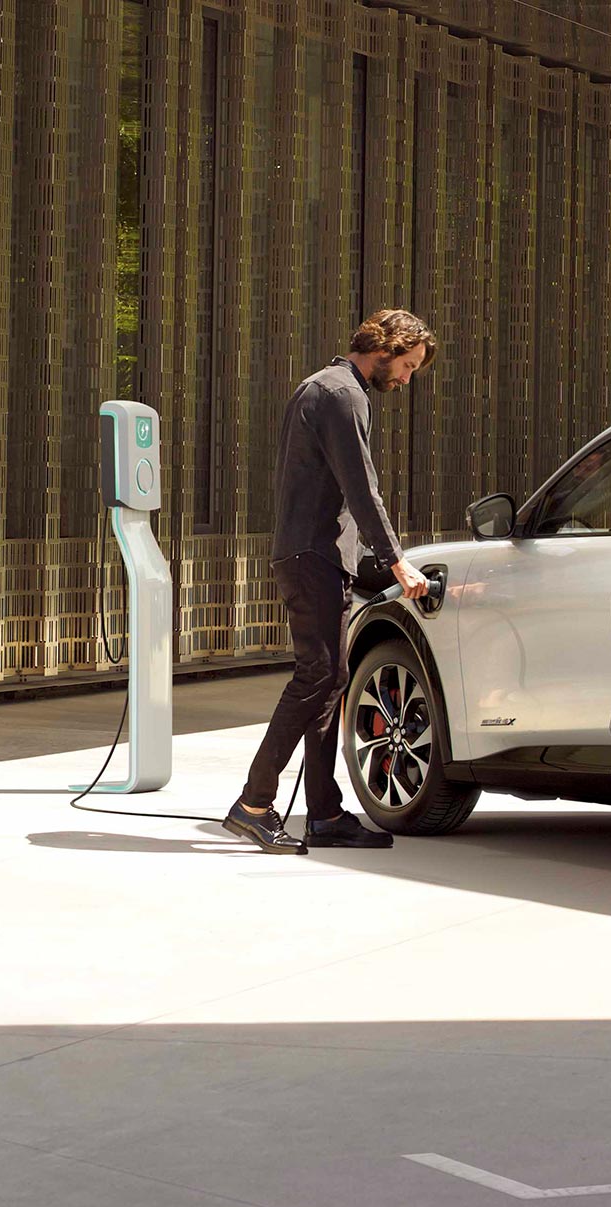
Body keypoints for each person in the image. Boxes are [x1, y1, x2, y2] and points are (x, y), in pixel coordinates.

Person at [223, 310, 435, 854]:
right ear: (387, 348)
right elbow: (361, 489)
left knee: (331, 680)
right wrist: (396, 561)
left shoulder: (324, 386)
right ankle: (253, 804)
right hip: (312, 555)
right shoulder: (344, 394)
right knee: (318, 675)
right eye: (408, 365)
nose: (406, 379)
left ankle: (324, 813)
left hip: (315, 554)